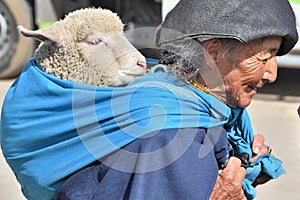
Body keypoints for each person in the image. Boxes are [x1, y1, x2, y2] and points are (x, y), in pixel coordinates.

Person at [1, 0, 297, 200]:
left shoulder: (182, 101)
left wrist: (243, 165)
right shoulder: (174, 138)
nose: (272, 73)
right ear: (215, 51)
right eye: (264, 56)